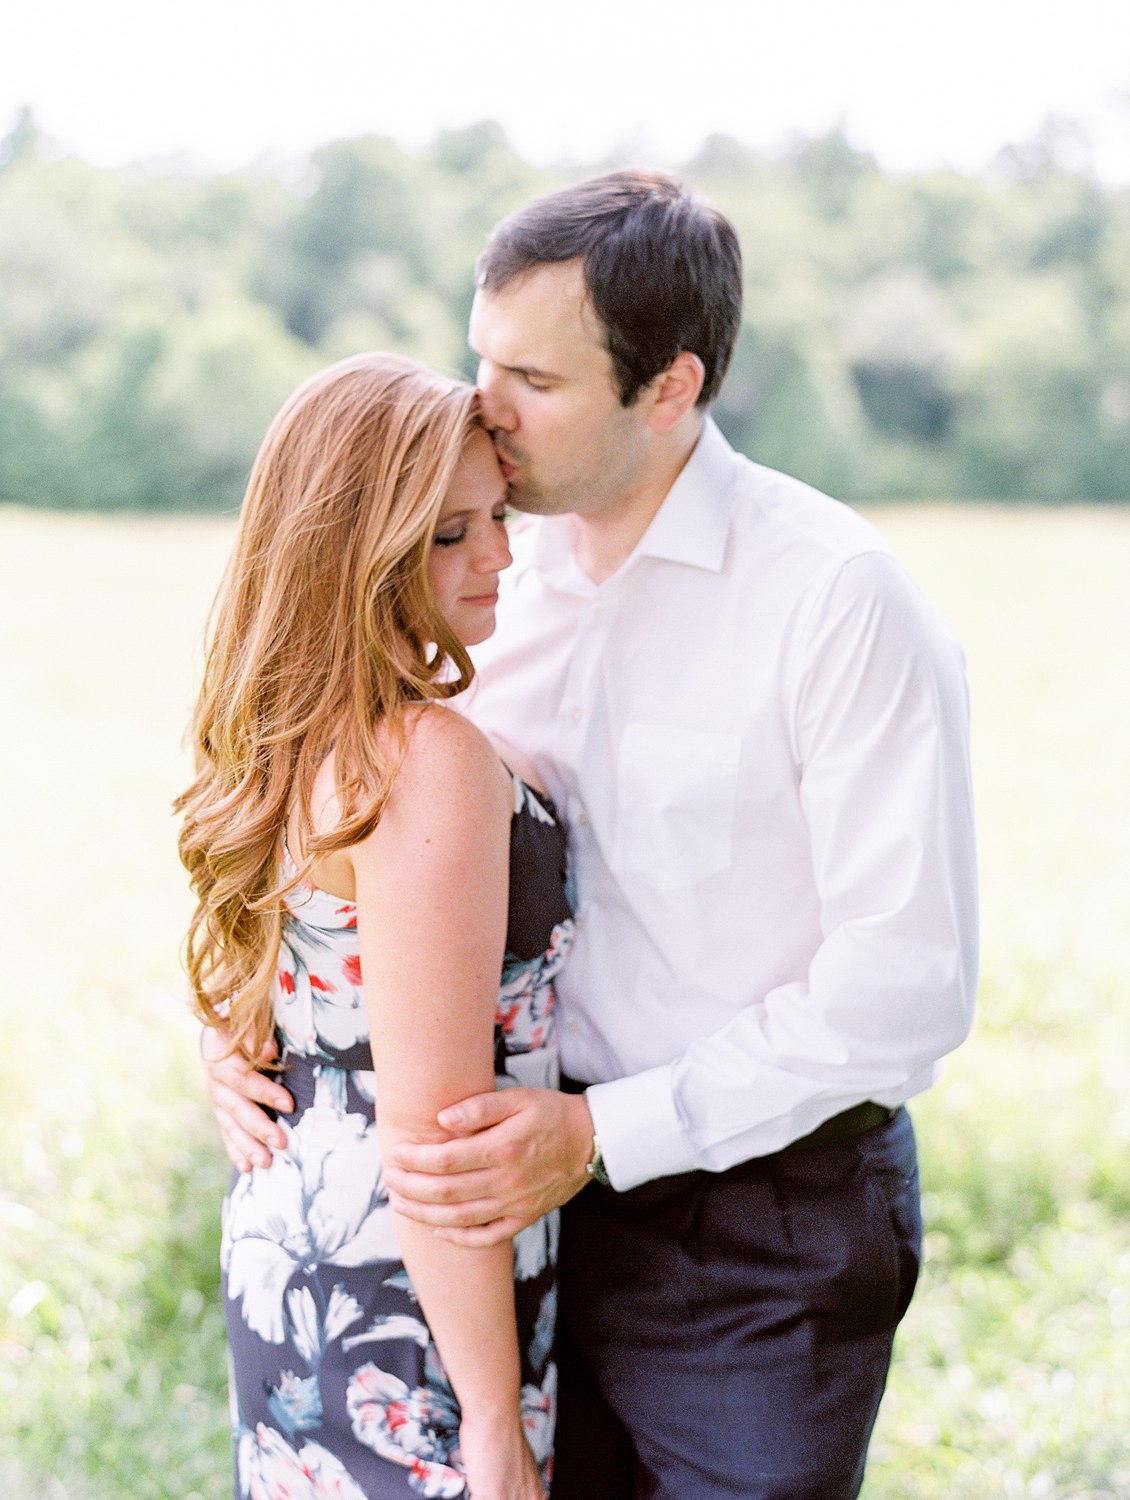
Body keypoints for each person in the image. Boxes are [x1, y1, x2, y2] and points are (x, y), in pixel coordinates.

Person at [205, 172, 978, 1499]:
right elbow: (319, 810)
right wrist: (245, 1030)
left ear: (667, 389)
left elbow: (903, 991)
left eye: (536, 380)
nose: (488, 408)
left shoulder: (831, 600)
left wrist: (603, 1131)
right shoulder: (465, 564)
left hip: (750, 1219)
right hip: (505, 1218)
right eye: (481, 359)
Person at [178, 353, 572, 1500]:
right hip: (410, 1292)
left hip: (300, 1242)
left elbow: (296, 969)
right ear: (353, 550)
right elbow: (436, 1131)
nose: (499, 555)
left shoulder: (287, 733)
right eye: (450, 534)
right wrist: (495, 1423)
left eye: (496, 516)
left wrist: (227, 1040)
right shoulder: (423, 757)